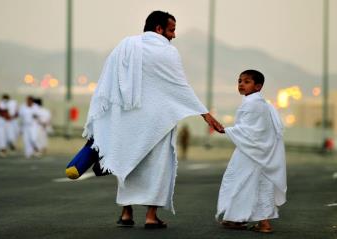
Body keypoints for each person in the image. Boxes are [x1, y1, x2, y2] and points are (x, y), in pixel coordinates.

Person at [82, 10, 224, 229]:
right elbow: (179, 86)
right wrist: (205, 114)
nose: (174, 36)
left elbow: (107, 82)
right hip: (158, 121)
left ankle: (127, 213)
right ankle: (150, 216)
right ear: (159, 29)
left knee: (127, 162)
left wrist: (107, 117)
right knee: (157, 167)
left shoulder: (125, 46)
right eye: (172, 30)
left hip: (127, 120)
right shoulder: (167, 52)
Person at [216, 70, 287, 233]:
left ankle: (238, 219)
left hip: (249, 152)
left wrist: (226, 130)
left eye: (246, 81)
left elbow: (250, 131)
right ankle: (260, 222)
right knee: (260, 185)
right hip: (262, 152)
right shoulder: (263, 104)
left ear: (258, 86)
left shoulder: (252, 103)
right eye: (239, 81)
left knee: (239, 182)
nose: (241, 84)